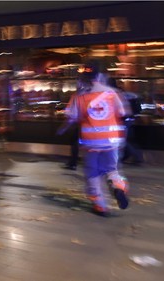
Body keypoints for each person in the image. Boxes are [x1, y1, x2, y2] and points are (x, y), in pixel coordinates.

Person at [65, 60, 129, 217]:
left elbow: (71, 116)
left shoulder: (79, 96)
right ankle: (118, 187)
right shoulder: (110, 93)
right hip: (111, 140)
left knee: (92, 173)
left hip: (91, 141)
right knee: (112, 169)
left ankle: (99, 205)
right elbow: (122, 113)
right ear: (100, 76)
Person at [107, 77, 144, 165]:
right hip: (129, 119)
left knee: (123, 140)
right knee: (128, 139)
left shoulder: (113, 93)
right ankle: (132, 157)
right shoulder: (123, 93)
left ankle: (137, 158)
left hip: (123, 120)